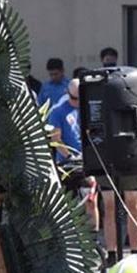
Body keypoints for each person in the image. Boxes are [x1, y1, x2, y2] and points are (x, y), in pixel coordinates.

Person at [49, 79, 99, 232]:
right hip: (67, 164)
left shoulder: (89, 110)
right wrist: (70, 156)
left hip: (87, 161)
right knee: (69, 202)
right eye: (74, 98)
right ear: (68, 94)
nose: (76, 102)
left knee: (90, 200)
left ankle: (94, 237)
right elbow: (56, 138)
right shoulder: (58, 111)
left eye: (79, 98)